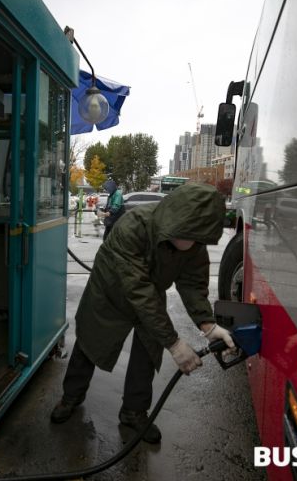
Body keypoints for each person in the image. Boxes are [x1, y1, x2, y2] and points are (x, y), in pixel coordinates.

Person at [50, 183, 236, 444]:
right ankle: (71, 397)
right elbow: (137, 290)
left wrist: (207, 324)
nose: (193, 244)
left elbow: (193, 284)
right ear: (174, 221)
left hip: (149, 293)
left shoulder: (194, 243)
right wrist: (174, 342)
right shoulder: (133, 226)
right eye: (189, 236)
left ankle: (134, 413)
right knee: (90, 343)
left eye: (198, 238)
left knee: (148, 352)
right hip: (109, 291)